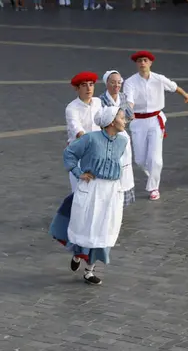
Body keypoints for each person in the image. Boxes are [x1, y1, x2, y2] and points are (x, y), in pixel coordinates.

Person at [49, 106, 128, 285]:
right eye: (122, 118)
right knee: (85, 226)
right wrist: (78, 172)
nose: (126, 121)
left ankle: (89, 270)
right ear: (112, 121)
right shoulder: (90, 139)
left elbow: (123, 166)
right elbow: (69, 153)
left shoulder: (123, 142)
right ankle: (78, 254)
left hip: (111, 192)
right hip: (92, 188)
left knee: (103, 230)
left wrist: (121, 189)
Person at [123, 51, 188, 200]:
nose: (142, 63)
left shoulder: (159, 79)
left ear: (150, 63)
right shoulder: (130, 82)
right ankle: (153, 173)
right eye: (139, 61)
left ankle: (154, 187)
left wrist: (186, 95)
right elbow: (129, 100)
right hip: (138, 121)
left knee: (156, 159)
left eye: (145, 60)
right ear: (136, 64)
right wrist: (127, 114)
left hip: (155, 120)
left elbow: (174, 87)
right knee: (140, 160)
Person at [99, 70, 136, 206]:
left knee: (124, 168)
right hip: (108, 136)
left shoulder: (123, 97)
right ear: (107, 83)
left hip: (122, 135)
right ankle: (110, 201)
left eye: (119, 82)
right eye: (113, 82)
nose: (116, 85)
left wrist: (125, 118)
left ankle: (120, 203)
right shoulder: (101, 99)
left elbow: (131, 115)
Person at [65, 71, 103, 191]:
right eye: (84, 85)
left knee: (96, 188)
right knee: (79, 189)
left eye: (91, 84)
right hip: (79, 153)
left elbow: (103, 121)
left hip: (97, 151)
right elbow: (77, 129)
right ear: (77, 88)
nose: (88, 88)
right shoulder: (71, 108)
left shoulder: (98, 102)